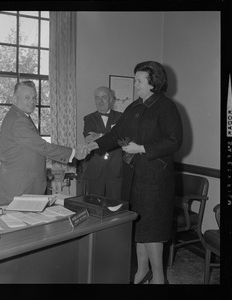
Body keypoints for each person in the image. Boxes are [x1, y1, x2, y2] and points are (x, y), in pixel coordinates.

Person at [87, 61, 183, 284]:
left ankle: (159, 277)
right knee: (138, 225)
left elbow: (174, 141)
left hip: (155, 181)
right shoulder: (134, 107)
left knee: (153, 230)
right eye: (135, 80)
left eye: (139, 80)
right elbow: (115, 135)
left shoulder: (166, 107)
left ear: (153, 82)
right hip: (133, 178)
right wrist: (92, 146)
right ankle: (141, 271)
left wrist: (141, 148)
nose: (135, 84)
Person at [0, 80, 88, 206]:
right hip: (20, 187)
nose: (32, 102)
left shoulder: (18, 116)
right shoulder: (19, 120)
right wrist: (73, 153)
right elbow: (42, 146)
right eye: (27, 98)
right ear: (15, 98)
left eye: (34, 98)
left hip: (21, 184)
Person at [82, 86, 123, 200]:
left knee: (115, 206)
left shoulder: (121, 117)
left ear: (111, 99)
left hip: (116, 169)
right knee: (94, 204)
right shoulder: (88, 119)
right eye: (97, 98)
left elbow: (123, 140)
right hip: (95, 169)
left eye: (104, 97)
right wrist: (112, 137)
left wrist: (99, 135)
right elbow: (89, 139)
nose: (100, 101)